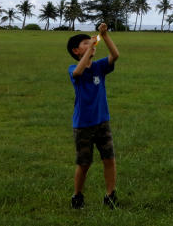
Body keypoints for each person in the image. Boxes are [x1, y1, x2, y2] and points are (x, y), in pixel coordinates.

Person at [66, 23, 120, 210]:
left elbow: (115, 55)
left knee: (109, 159)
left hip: (102, 122)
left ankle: (110, 195)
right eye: (85, 44)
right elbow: (78, 72)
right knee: (84, 163)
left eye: (91, 42)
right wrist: (90, 50)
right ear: (75, 50)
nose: (90, 45)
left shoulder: (99, 67)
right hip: (83, 125)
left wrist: (103, 36)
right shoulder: (74, 69)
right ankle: (77, 196)